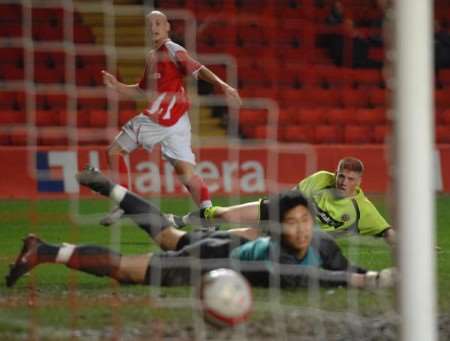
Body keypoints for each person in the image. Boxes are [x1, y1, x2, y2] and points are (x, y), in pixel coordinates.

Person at [6, 168, 395, 290]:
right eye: (291, 224)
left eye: (304, 223)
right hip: (208, 261)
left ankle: (111, 188)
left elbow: (342, 267)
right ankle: (44, 250)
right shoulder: (281, 259)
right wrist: (374, 280)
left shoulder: (322, 244)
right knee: (129, 269)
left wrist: (371, 275)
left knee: (168, 235)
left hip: (225, 245)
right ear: (278, 231)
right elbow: (328, 279)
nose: (301, 230)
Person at [100, 10, 241, 226]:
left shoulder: (172, 49)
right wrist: (116, 85)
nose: (154, 27)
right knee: (186, 172)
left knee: (114, 151)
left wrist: (223, 86)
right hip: (178, 121)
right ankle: (209, 218)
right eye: (150, 24)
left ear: (167, 27)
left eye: (158, 23)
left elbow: (198, 69)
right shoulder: (151, 56)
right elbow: (141, 91)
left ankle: (124, 204)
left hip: (160, 119)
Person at [169, 157, 396, 246]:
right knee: (225, 215)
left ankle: (190, 239)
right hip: (280, 209)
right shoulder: (321, 179)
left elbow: (387, 231)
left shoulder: (362, 208)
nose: (343, 182)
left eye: (350, 179)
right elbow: (291, 196)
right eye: (341, 176)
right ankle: (184, 218)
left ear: (359, 181)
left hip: (293, 232)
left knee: (231, 238)